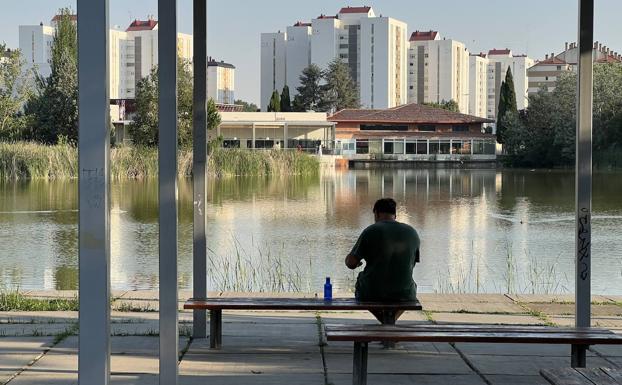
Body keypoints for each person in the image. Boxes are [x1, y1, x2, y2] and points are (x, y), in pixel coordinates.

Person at [345, 198, 420, 304]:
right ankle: (389, 320)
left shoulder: (371, 230)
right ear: (395, 215)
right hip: (406, 294)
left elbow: (351, 263)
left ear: (376, 213)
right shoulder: (412, 233)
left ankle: (386, 320)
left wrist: (353, 261)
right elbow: (412, 263)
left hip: (371, 294)